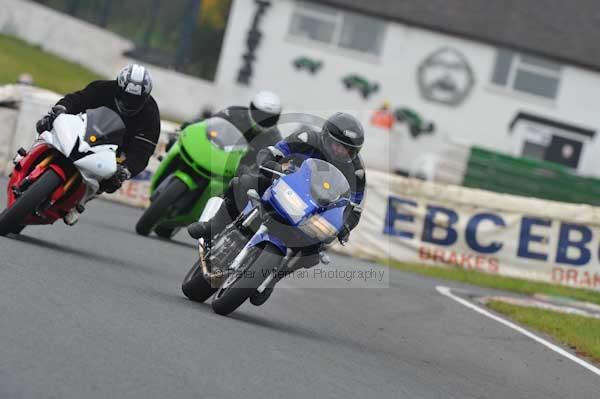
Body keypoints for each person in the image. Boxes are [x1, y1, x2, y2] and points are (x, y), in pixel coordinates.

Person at [188, 112, 366, 256]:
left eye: (347, 149)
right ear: (326, 136)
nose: (340, 151)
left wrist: (346, 226)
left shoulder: (357, 173)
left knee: (318, 245)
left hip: (316, 210)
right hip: (284, 184)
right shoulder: (306, 138)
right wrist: (269, 162)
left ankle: (274, 276)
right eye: (337, 144)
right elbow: (274, 150)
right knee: (243, 182)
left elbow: (355, 208)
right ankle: (212, 226)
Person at [36, 64, 160, 225]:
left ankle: (80, 202)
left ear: (145, 97)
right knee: (47, 125)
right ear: (118, 88)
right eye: (126, 96)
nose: (130, 102)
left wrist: (127, 169)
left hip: (116, 149)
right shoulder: (102, 88)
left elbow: (144, 149)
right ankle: (28, 155)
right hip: (85, 129)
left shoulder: (151, 113)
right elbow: (78, 99)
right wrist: (61, 108)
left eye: (136, 99)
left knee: (113, 180)